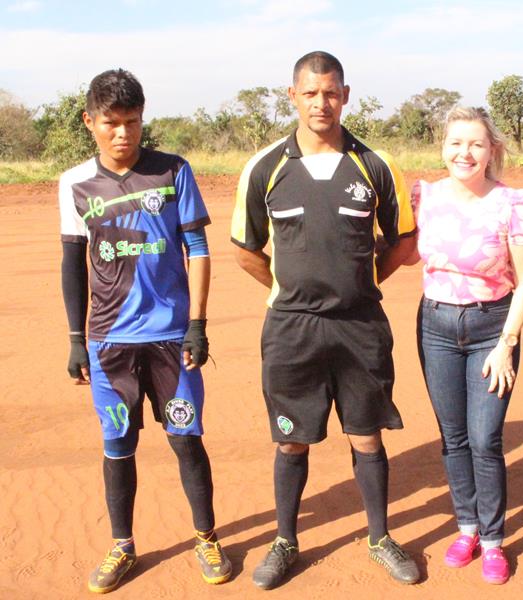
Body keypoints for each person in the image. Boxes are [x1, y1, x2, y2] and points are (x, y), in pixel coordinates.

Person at [231, 51, 420, 589]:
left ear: (346, 95)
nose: (321, 102)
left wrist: (365, 280)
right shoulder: (266, 168)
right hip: (291, 331)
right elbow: (245, 249)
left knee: (366, 436)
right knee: (291, 440)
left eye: (331, 92)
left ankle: (380, 537)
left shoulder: (374, 165)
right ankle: (285, 540)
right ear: (292, 96)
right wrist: (289, 290)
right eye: (310, 93)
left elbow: (404, 239)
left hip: (360, 326)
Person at [59, 69, 231, 593]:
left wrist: (197, 326)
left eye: (132, 122)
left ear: (142, 116)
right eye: (110, 123)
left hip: (170, 342)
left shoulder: (173, 171)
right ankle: (122, 546)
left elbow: (197, 250)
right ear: (90, 121)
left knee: (186, 441)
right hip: (109, 343)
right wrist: (74, 340)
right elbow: (72, 264)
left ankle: (206, 537)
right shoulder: (74, 183)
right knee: (118, 445)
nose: (122, 134)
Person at [407, 106, 523, 584]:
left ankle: (494, 539)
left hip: (492, 329)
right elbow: (397, 252)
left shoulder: (513, 203)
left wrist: (507, 344)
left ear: (492, 151)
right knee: (454, 437)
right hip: (436, 327)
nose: (465, 153)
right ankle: (466, 527)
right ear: (443, 147)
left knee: (485, 440)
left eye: (476, 144)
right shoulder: (423, 196)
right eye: (456, 143)